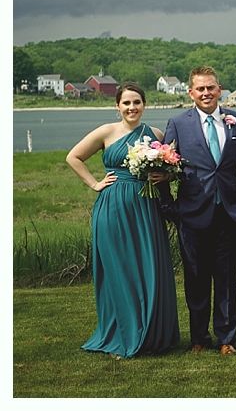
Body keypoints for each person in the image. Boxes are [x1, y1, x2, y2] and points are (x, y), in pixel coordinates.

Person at [66, 83, 179, 358]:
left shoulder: (156, 134)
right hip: (113, 208)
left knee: (148, 268)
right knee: (120, 270)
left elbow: (173, 169)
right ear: (117, 106)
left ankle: (152, 333)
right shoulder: (106, 132)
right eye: (126, 103)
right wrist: (94, 183)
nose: (132, 108)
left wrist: (165, 176)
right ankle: (123, 333)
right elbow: (74, 157)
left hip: (146, 209)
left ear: (144, 105)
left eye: (137, 102)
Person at [161, 66, 236, 356]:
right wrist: (170, 208)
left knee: (228, 279)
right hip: (192, 215)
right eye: (200, 89)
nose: (206, 93)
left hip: (230, 214)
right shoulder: (178, 123)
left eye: (211, 88)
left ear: (220, 90)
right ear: (191, 92)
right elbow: (164, 166)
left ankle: (227, 338)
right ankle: (198, 337)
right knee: (196, 278)